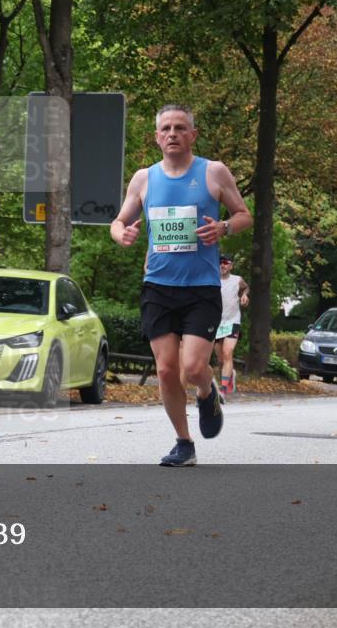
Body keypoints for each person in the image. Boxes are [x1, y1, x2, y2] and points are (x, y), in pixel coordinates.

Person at [111, 104, 252, 467]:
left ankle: (207, 391)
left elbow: (244, 215)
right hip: (158, 287)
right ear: (157, 137)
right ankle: (184, 443)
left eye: (179, 128)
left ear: (193, 135)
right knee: (165, 370)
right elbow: (118, 221)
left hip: (200, 288)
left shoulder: (213, 172)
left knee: (191, 367)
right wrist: (121, 234)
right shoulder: (144, 179)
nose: (172, 133)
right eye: (166, 129)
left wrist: (223, 227)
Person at [214, 254, 249, 395]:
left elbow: (245, 287)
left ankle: (222, 389)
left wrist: (244, 295)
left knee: (227, 353)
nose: (222, 265)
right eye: (220, 262)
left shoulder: (237, 280)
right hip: (216, 323)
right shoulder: (212, 280)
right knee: (220, 359)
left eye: (225, 263)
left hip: (232, 321)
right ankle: (229, 376)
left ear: (231, 266)